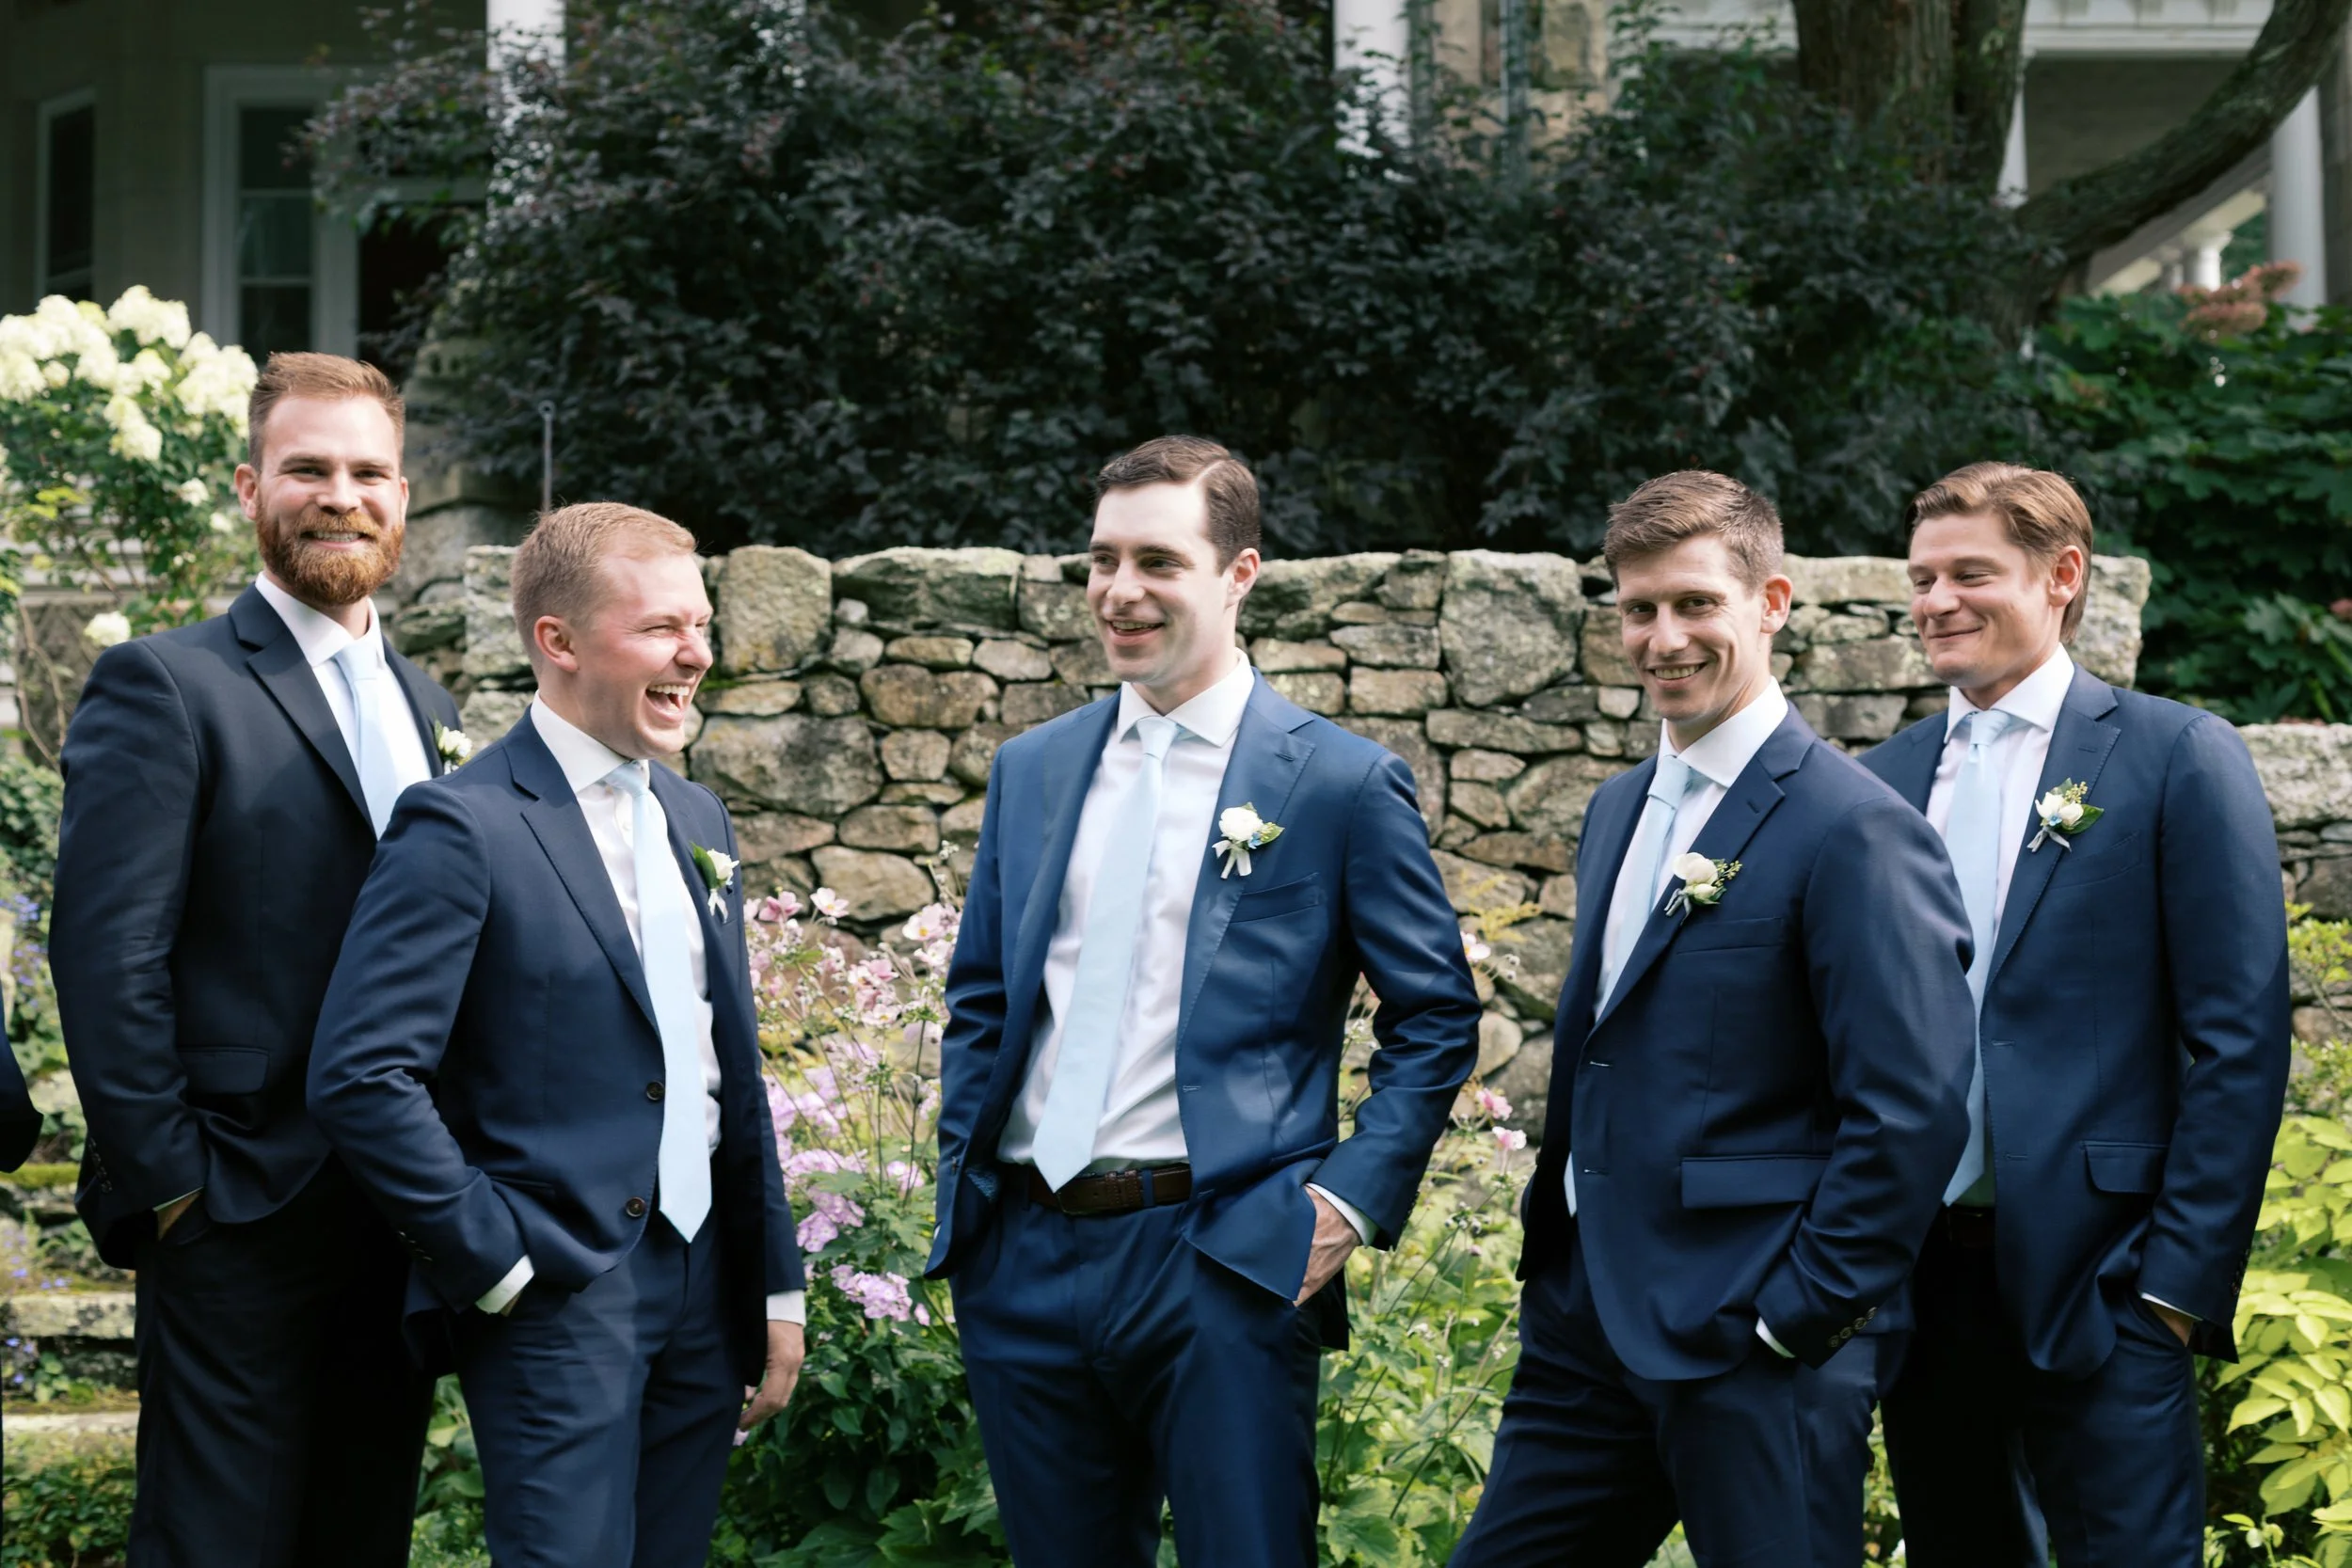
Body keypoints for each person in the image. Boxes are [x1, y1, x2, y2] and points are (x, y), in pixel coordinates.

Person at [927, 436, 1481, 1568]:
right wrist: (966, 1203)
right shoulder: (1032, 767)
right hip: (1024, 1254)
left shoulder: (1334, 781)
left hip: (1220, 1254)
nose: (1119, 592)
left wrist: (1343, 1206)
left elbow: (1434, 1017)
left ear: (1239, 574)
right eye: (1100, 560)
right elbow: (984, 997)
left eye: (1158, 562)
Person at [1451, 469, 1979, 1568]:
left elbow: (1911, 1105)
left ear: (1771, 602)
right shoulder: (1613, 808)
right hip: (1586, 1324)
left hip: (1755, 1339)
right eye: (1638, 608)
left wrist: (1799, 1314)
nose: (1662, 636)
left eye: (1695, 602)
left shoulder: (1854, 829)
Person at [306, 502, 805, 1568]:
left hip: (705, 1275)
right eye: (662, 628)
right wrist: (497, 1263)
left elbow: (727, 1068)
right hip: (561, 1291)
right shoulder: (464, 823)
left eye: (701, 623)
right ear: (559, 641)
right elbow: (361, 1073)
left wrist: (771, 1280)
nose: (696, 653)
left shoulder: (698, 819)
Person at [49, 353, 455, 1566]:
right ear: (247, 486)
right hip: (236, 1204)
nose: (341, 494)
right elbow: (107, 955)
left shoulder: (426, 701)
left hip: (404, 1215)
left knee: (361, 1534)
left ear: (403, 492)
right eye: (307, 468)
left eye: (367, 470)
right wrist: (179, 1185)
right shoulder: (165, 684)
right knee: (216, 1542)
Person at [1863, 462, 2289, 1567]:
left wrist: (2174, 1292)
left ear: (2060, 575)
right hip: (1919, 1281)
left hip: (2106, 1279)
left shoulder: (2173, 754)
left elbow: (2237, 1037)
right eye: (1920, 578)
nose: (1935, 601)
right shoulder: (1879, 779)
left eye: (1969, 573)